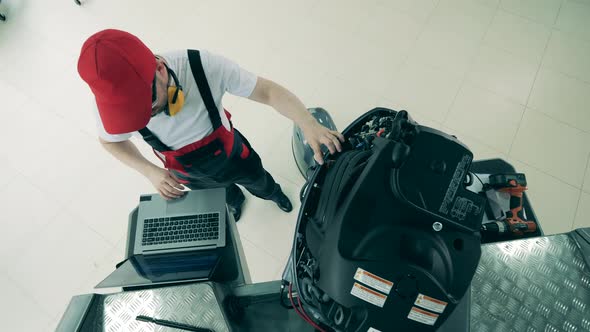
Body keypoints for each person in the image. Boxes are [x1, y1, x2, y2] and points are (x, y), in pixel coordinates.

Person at [77, 29, 344, 221]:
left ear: (159, 69)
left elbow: (267, 91)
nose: (142, 116)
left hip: (233, 155)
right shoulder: (110, 109)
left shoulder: (202, 66)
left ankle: (273, 194)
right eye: (130, 112)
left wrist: (307, 122)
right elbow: (110, 141)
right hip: (187, 174)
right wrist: (150, 172)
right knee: (222, 195)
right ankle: (235, 201)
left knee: (258, 180)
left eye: (146, 102)